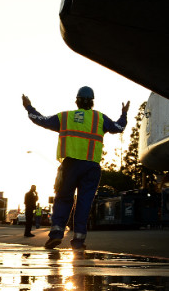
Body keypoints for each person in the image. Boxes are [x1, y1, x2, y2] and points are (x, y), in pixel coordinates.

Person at [22, 86, 129, 250]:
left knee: (63, 198)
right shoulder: (99, 118)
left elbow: (40, 119)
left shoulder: (66, 117)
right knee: (84, 203)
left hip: (70, 165)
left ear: (76, 101)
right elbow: (119, 128)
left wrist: (28, 107)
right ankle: (78, 240)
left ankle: (56, 234)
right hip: (91, 167)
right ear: (92, 102)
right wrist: (124, 114)